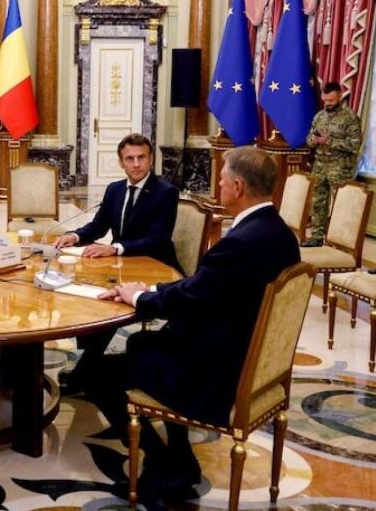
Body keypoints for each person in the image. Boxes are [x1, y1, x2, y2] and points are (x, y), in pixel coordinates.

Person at [87, 147, 300, 504]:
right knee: (146, 345)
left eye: (222, 179)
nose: (218, 184)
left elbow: (192, 297)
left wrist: (138, 299)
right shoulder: (279, 234)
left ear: (237, 186)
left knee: (98, 374)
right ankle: (178, 456)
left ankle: (168, 464)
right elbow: (206, 287)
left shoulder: (239, 243)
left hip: (218, 375)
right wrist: (151, 290)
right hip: (252, 363)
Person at [52, 133, 179, 393]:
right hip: (120, 265)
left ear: (151, 160)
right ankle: (89, 361)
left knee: (107, 303)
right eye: (129, 159)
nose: (136, 164)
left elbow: (158, 239)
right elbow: (98, 226)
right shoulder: (115, 190)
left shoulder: (165, 192)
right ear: (121, 162)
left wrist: (115, 247)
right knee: (85, 291)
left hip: (155, 266)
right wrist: (74, 236)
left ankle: (82, 376)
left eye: (141, 157)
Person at [303, 82, 361, 247]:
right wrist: (313, 141)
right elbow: (308, 140)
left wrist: (329, 141)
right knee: (318, 202)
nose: (328, 103)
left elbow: (354, 145)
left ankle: (341, 240)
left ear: (340, 96)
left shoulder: (350, 118)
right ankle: (316, 237)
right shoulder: (319, 116)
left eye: (331, 100)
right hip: (320, 165)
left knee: (341, 204)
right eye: (325, 100)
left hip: (340, 167)